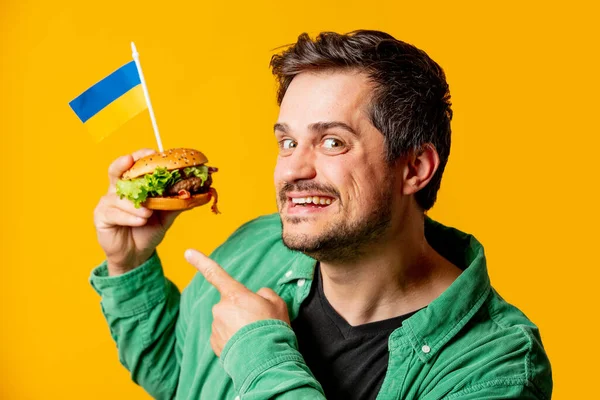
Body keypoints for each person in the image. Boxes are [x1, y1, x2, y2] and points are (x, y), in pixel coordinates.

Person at [91, 30, 552, 400]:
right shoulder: (253, 248)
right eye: (287, 142)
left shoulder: (496, 364)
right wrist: (128, 264)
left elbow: (247, 363)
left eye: (332, 141)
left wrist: (258, 357)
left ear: (415, 168)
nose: (292, 169)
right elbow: (178, 382)